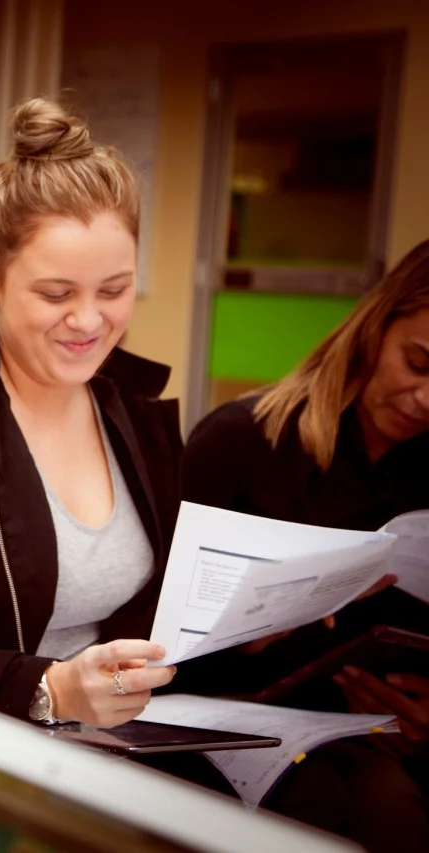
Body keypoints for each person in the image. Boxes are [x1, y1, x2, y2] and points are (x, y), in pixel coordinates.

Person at [0, 97, 423, 850]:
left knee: (351, 812)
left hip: (120, 736)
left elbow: (154, 615)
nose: (88, 322)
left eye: (113, 291)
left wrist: (283, 607)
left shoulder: (126, 406)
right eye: (56, 294)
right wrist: (49, 687)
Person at [176, 238, 429, 847]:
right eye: (418, 364)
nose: (427, 399)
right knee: (367, 811)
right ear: (375, 326)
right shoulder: (244, 442)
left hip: (371, 726)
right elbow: (147, 634)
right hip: (236, 717)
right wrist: (243, 632)